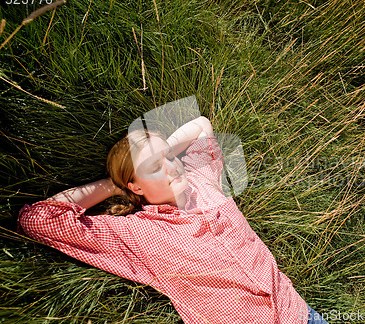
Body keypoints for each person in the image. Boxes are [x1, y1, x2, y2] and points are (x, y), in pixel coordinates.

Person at [18, 116, 329, 324]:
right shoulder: (137, 233)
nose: (171, 167)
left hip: (300, 313)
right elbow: (37, 219)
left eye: (169, 157)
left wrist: (163, 149)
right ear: (135, 186)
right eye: (156, 167)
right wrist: (113, 183)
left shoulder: (201, 179)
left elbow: (202, 125)